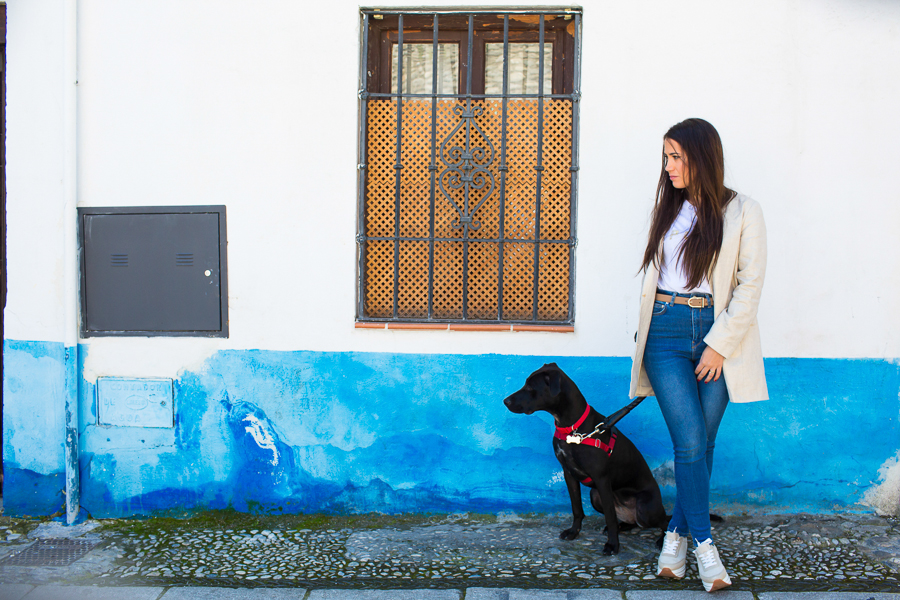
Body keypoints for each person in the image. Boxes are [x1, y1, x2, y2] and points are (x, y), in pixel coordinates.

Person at [628, 118, 769, 592]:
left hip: (718, 333)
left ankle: (675, 534)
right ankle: (704, 547)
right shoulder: (667, 207)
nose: (667, 167)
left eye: (676, 157)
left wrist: (718, 345)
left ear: (701, 157)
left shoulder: (744, 211)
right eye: (665, 156)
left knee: (703, 442)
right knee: (689, 442)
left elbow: (749, 287)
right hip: (665, 333)